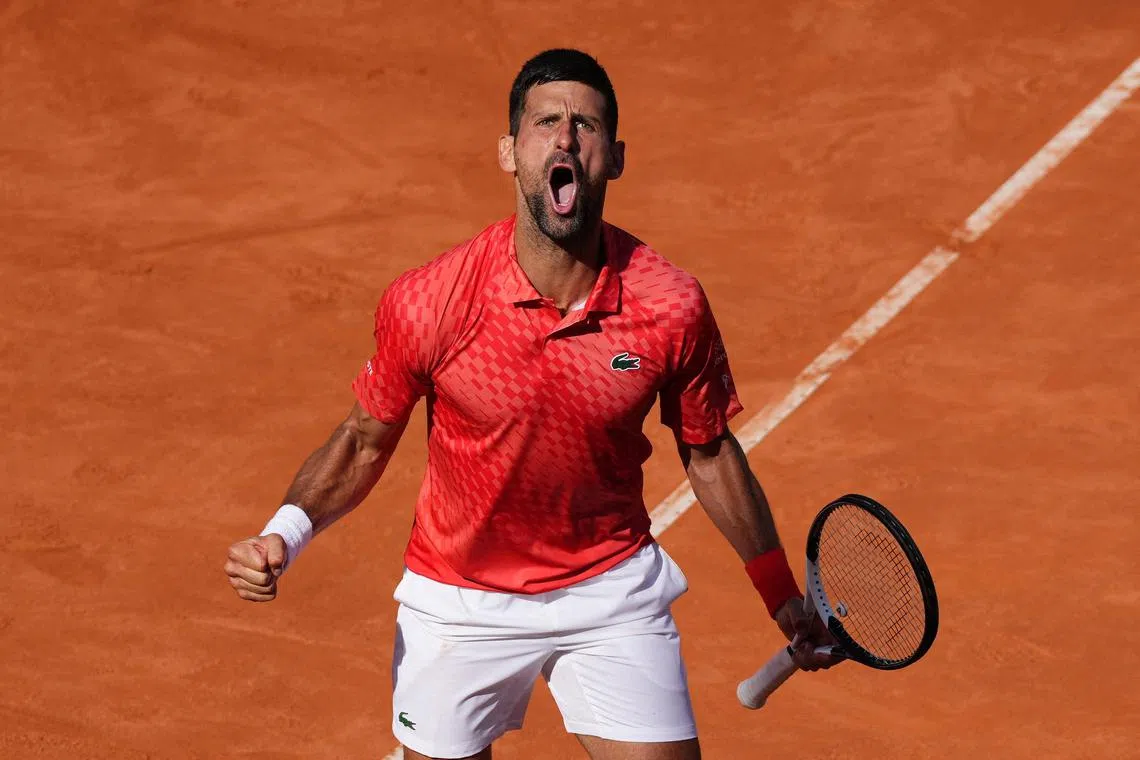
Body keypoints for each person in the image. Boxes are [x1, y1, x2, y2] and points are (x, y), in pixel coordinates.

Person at [224, 48, 837, 760]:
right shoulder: (434, 300)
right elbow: (364, 439)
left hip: (609, 590)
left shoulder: (669, 305)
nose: (568, 136)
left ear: (615, 157)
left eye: (588, 125)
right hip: (459, 599)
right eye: (547, 121)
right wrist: (283, 534)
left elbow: (708, 451)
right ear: (511, 152)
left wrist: (782, 596)